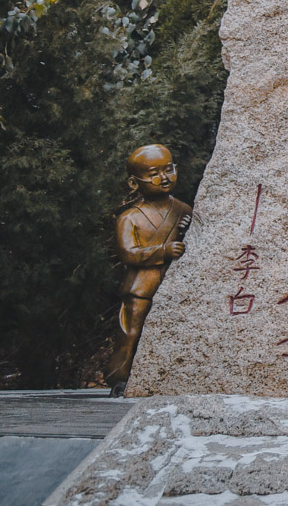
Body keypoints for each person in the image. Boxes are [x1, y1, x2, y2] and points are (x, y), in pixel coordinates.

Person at [108, 144, 192, 390]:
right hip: (141, 287)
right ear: (134, 183)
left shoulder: (183, 210)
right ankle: (120, 376)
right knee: (131, 333)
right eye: (154, 173)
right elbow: (128, 253)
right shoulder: (129, 218)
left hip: (174, 283)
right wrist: (162, 251)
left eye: (168, 169)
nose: (163, 178)